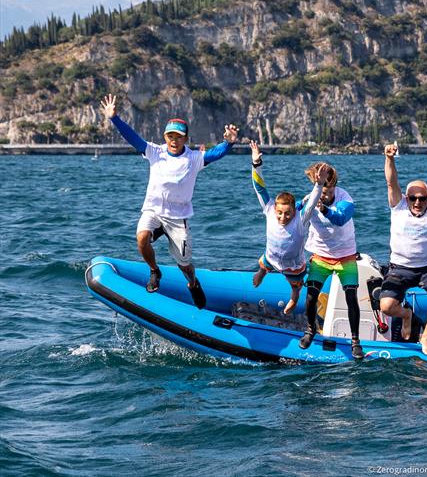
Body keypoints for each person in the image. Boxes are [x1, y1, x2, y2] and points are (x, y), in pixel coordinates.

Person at [100, 94, 238, 309]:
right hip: (153, 211)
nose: (174, 141)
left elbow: (215, 154)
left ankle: (193, 283)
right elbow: (132, 137)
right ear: (165, 137)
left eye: (179, 137)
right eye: (170, 137)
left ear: (186, 139)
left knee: (184, 264)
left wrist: (228, 143)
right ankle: (155, 271)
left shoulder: (193, 158)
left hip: (178, 217)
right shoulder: (154, 152)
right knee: (142, 238)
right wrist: (114, 118)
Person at [379, 143, 427, 357]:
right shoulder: (398, 207)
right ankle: (407, 315)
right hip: (399, 268)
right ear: (406, 198)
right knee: (386, 307)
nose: (418, 202)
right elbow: (392, 182)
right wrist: (389, 158)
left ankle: (425, 337)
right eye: (413, 198)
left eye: (422, 198)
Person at [249, 142, 330, 317]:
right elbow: (259, 187)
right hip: (270, 257)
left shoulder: (301, 220)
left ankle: (293, 299)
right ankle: (262, 273)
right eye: (280, 213)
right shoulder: (269, 210)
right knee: (263, 265)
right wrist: (256, 164)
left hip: (293, 266)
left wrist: (319, 184)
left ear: (295, 211)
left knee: (295, 287)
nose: (283, 217)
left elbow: (311, 203)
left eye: (287, 214)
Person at [298, 162, 364, 359]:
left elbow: (341, 218)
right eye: (322, 190)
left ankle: (355, 341)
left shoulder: (345, 198)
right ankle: (310, 330)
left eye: (328, 190)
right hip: (320, 256)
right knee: (311, 296)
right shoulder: (310, 198)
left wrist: (324, 208)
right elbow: (295, 216)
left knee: (351, 297)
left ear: (334, 186)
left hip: (346, 256)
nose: (324, 195)